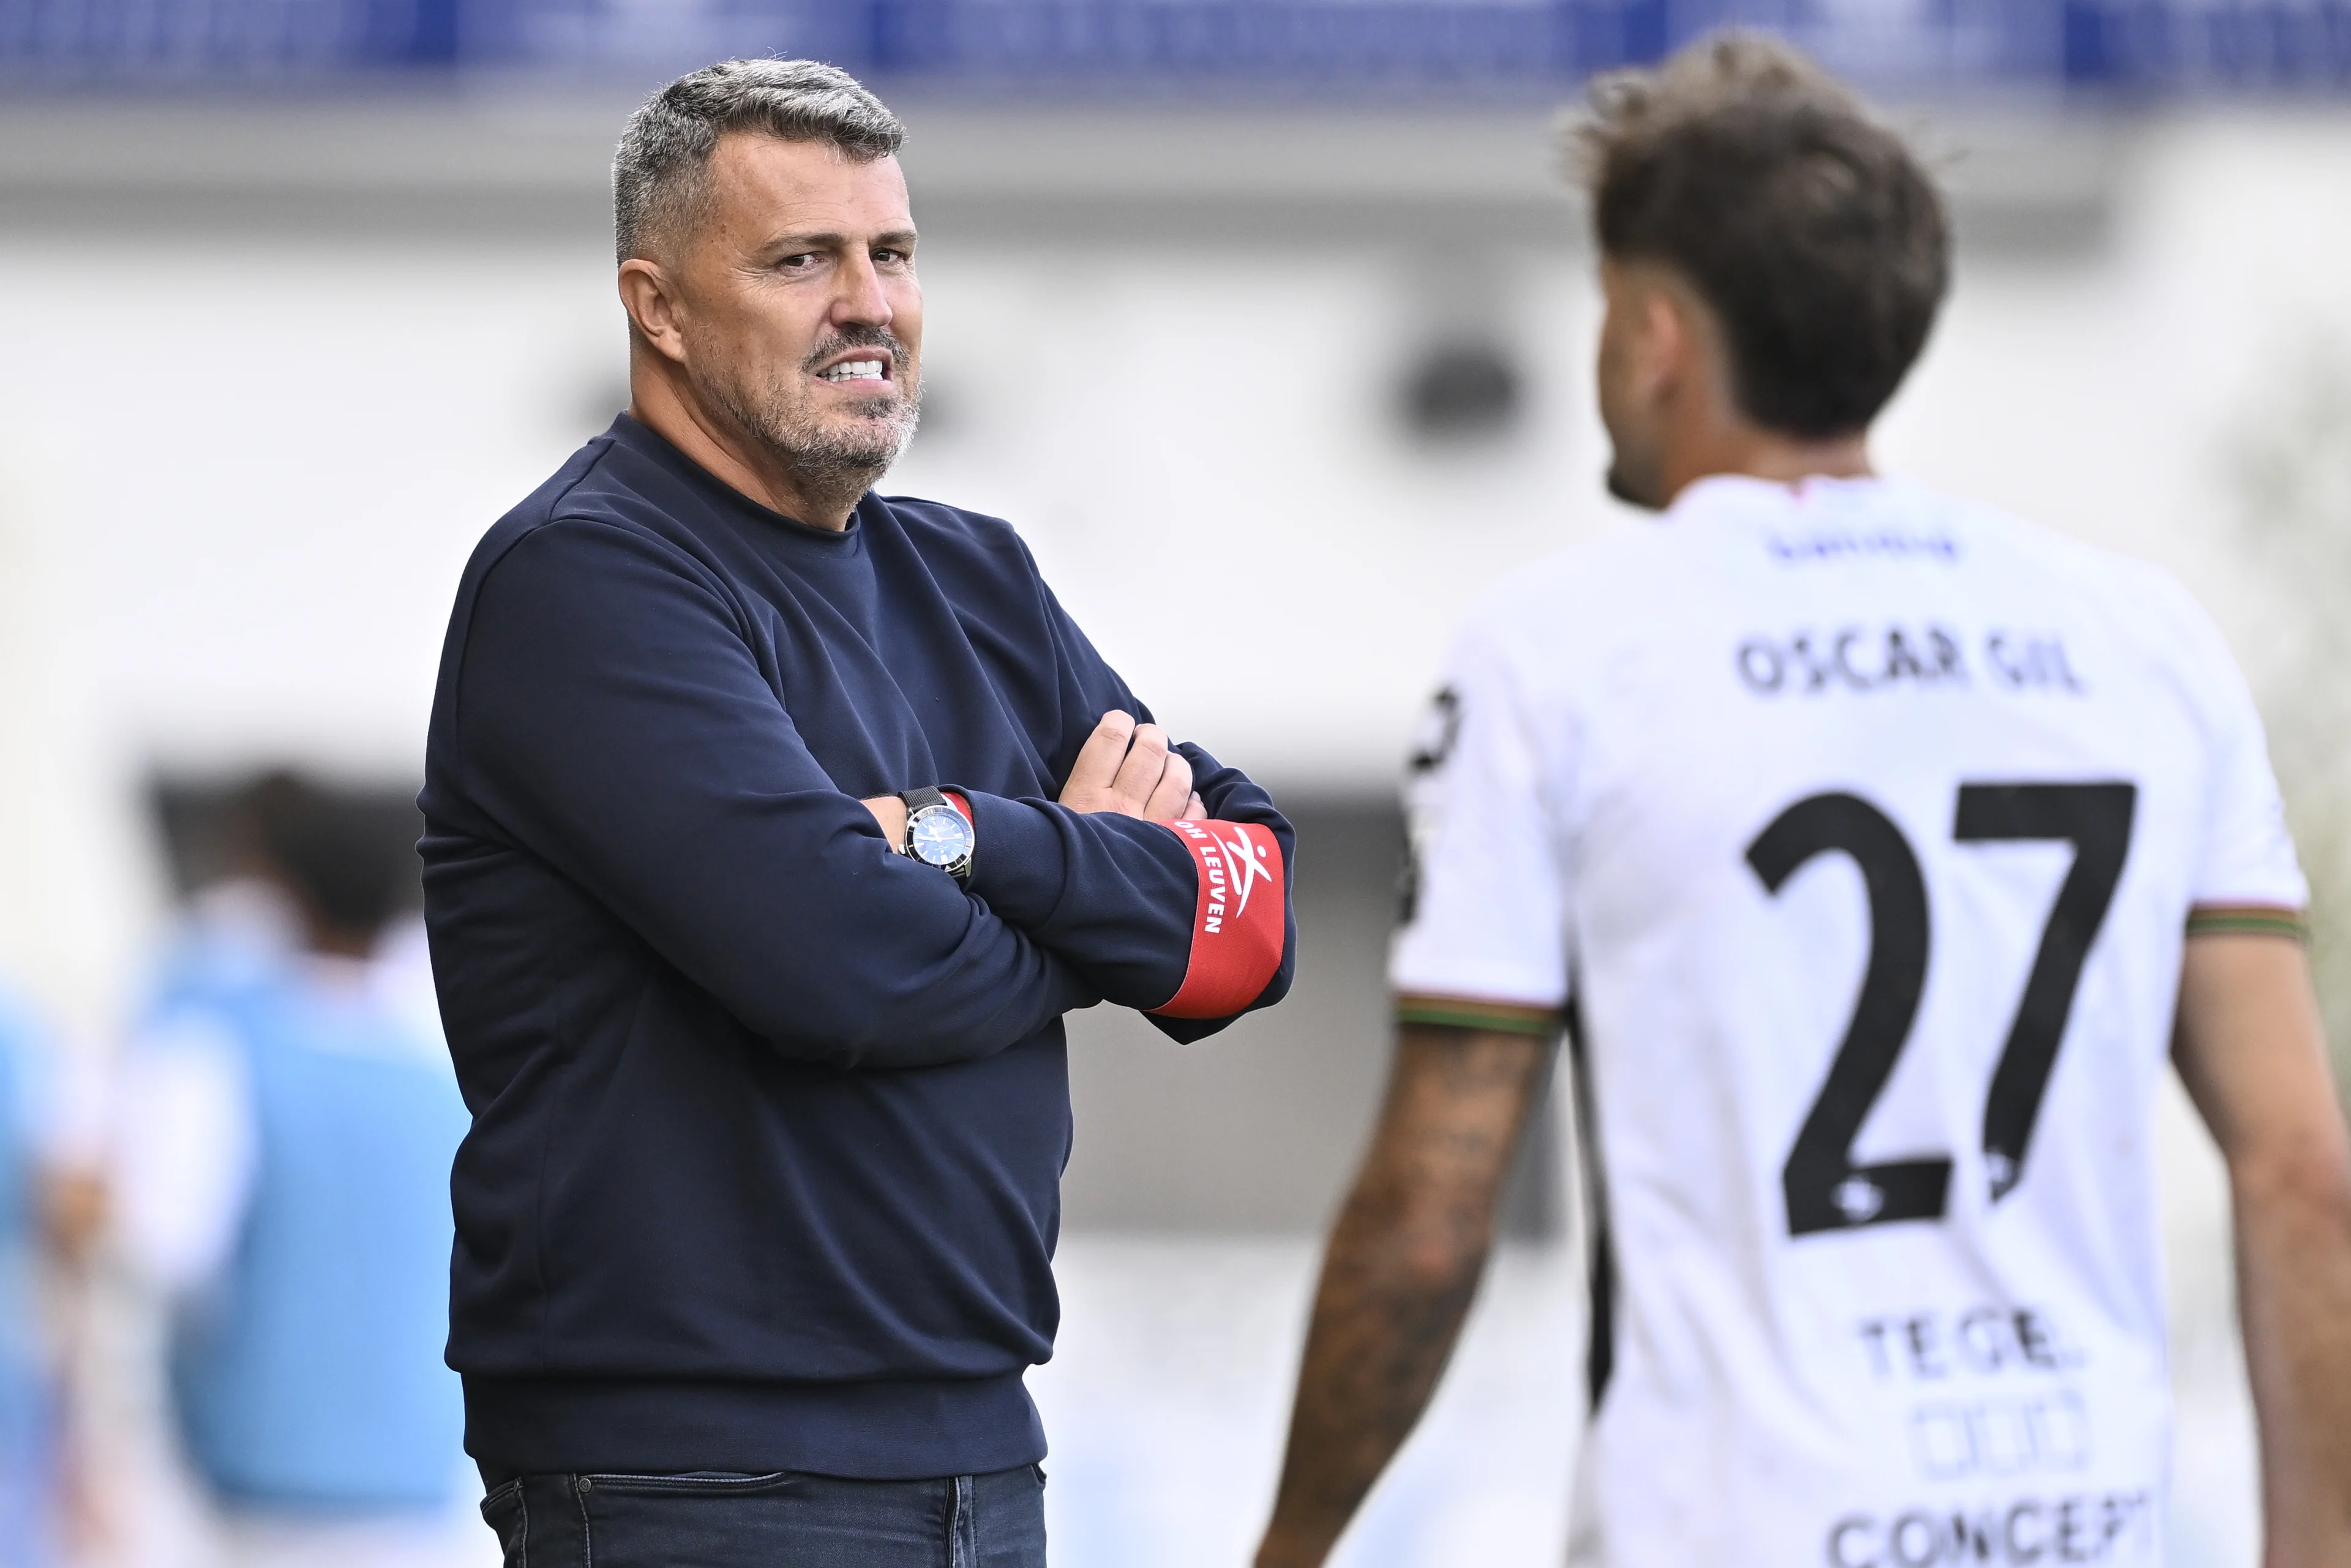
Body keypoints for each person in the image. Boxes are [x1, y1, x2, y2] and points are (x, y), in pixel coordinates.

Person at [1255, 34, 2351, 1568]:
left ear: (1653, 336)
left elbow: (1434, 1220)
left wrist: (1289, 1547)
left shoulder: (1564, 649)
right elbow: (2301, 1168)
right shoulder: (2145, 640)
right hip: (2081, 1525)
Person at [419, 58, 1295, 1567]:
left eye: (891, 253)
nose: (868, 303)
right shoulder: (585, 580)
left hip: (984, 1451)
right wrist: (1095, 907)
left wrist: (971, 837)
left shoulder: (979, 576)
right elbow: (841, 966)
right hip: (690, 1482)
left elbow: (1252, 928)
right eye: (800, 259)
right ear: (660, 306)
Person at [112, 773, 472, 1568]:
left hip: (259, 1490)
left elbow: (161, 1243)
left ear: (282, 894)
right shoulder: (450, 1070)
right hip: (423, 1486)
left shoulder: (221, 1047)